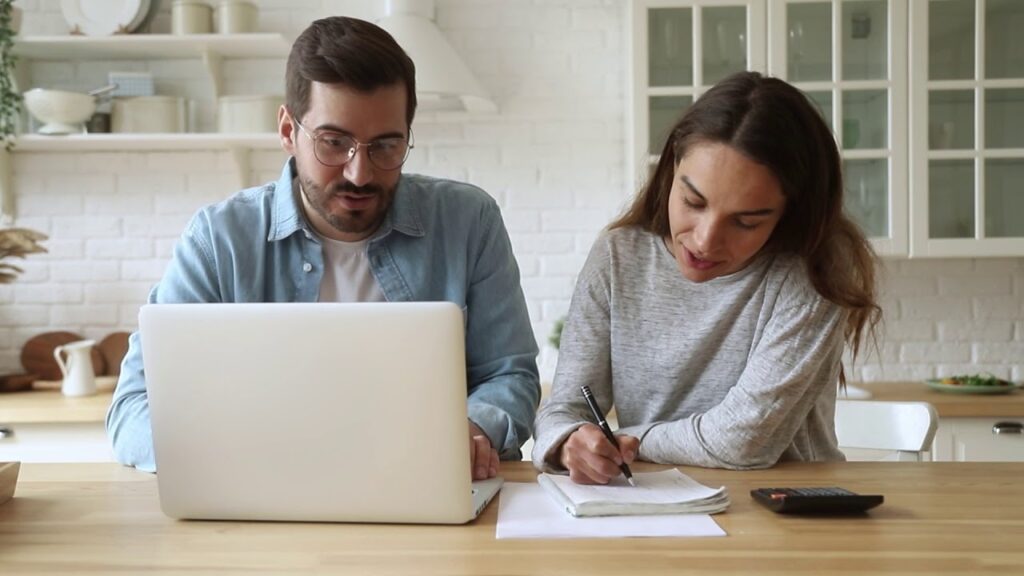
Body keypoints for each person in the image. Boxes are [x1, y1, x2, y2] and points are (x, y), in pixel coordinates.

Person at [107, 16, 540, 478]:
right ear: (288, 131)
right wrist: (239, 450)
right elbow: (135, 406)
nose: (360, 173)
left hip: (425, 486)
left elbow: (509, 374)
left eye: (386, 146)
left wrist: (471, 431)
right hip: (263, 499)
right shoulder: (219, 239)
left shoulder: (469, 221)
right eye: (334, 142)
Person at [532, 71, 881, 484]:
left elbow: (743, 441)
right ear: (671, 167)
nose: (705, 240)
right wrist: (570, 441)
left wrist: (627, 440)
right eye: (693, 202)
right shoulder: (618, 255)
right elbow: (564, 408)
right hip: (651, 502)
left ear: (791, 212)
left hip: (787, 509)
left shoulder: (813, 274)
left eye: (746, 221)